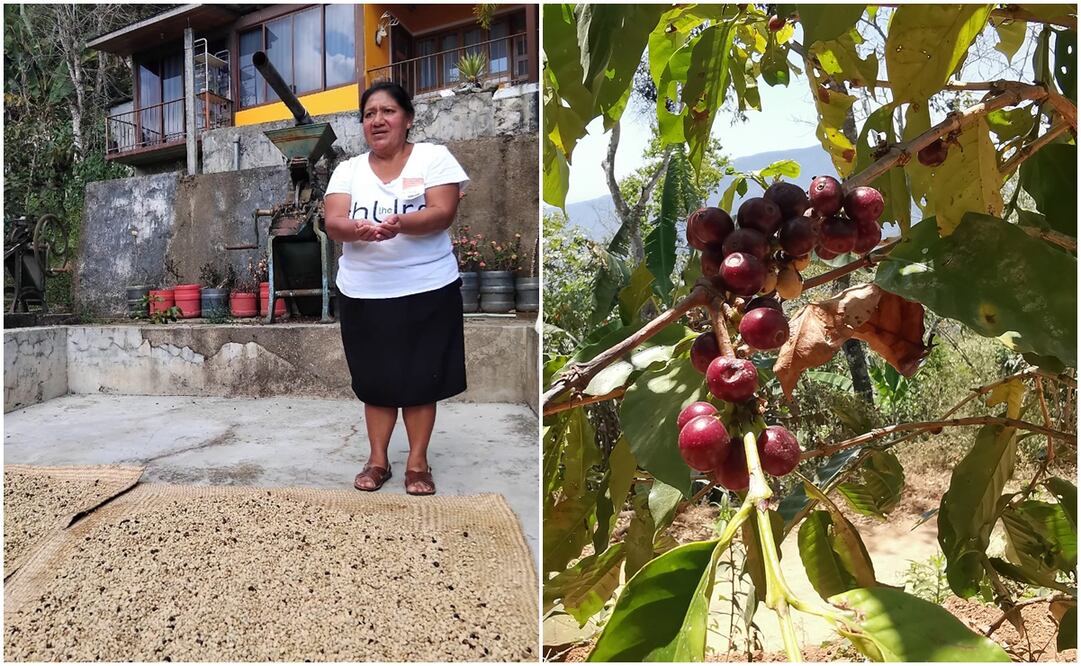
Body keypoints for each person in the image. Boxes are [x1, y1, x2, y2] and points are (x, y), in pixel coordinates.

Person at [324, 81, 469, 496]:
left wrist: (401, 223)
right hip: (363, 293)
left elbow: (442, 212)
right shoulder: (347, 169)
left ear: (407, 118)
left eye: (387, 111)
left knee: (423, 379)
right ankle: (377, 460)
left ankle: (418, 463)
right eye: (369, 114)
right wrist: (357, 229)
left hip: (427, 287)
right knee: (376, 380)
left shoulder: (433, 157)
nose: (377, 120)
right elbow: (333, 222)